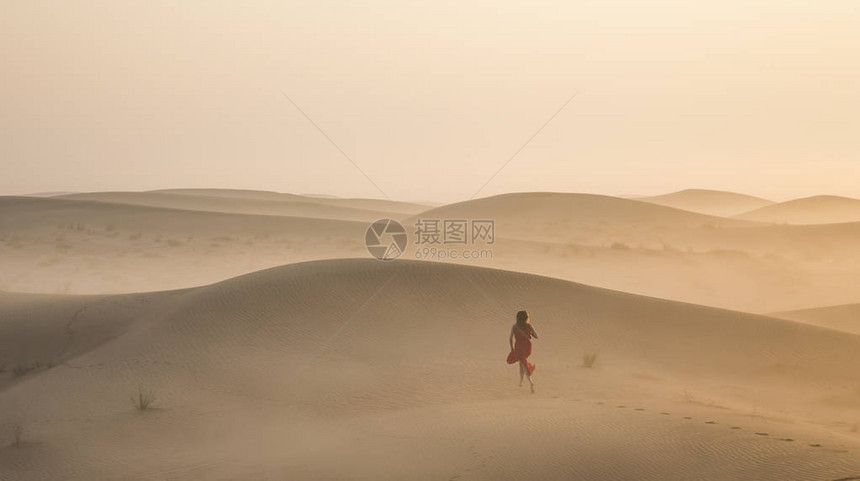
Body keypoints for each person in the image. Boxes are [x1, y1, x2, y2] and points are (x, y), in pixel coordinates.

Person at [507, 310, 538, 393]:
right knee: (522, 363)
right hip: (527, 346)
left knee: (523, 364)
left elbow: (510, 338)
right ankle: (521, 382)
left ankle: (531, 382)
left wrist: (512, 349)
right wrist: (530, 334)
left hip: (518, 346)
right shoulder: (529, 326)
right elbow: (536, 336)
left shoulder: (515, 326)